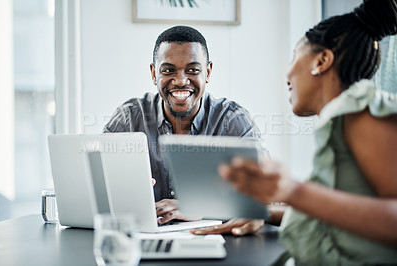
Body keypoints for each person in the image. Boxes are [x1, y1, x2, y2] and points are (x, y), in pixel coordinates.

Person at [212, 0, 397, 264]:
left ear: (321, 61)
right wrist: (265, 211)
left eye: (293, 57)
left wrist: (292, 190)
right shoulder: (341, 121)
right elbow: (343, 213)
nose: (287, 73)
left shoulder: (360, 115)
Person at [104, 25, 269, 227]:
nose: (181, 81)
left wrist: (203, 208)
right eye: (168, 70)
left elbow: (268, 195)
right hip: (145, 241)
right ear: (154, 74)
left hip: (217, 243)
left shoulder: (232, 120)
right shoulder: (129, 118)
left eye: (193, 70)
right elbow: (98, 189)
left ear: (207, 72)